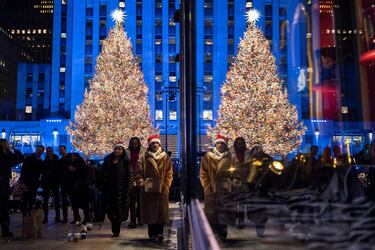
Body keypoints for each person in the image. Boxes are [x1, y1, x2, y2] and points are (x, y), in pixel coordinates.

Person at [137, 134, 173, 243]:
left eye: (157, 143)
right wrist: (142, 182)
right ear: (150, 145)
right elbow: (138, 171)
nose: (155, 145)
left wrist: (166, 185)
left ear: (159, 144)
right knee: (150, 212)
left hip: (161, 188)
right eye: (153, 143)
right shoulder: (144, 156)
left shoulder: (165, 157)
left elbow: (169, 172)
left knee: (161, 212)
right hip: (148, 189)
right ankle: (152, 233)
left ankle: (160, 233)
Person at [200, 134, 234, 240]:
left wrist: (231, 183)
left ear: (225, 145)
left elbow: (236, 172)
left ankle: (222, 232)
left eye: (222, 143)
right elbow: (203, 172)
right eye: (218, 143)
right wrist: (207, 186)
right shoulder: (208, 156)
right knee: (211, 213)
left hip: (225, 189)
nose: (220, 145)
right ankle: (213, 233)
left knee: (223, 212)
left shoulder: (230, 157)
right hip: (211, 189)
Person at [99, 142, 132, 237]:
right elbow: (102, 173)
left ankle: (116, 229)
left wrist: (128, 189)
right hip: (109, 190)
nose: (117, 151)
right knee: (109, 210)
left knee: (118, 211)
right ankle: (114, 225)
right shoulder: (108, 160)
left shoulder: (126, 161)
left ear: (122, 150)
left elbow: (129, 176)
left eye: (119, 149)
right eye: (116, 149)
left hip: (121, 191)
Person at [0, 139, 23, 237]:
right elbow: (19, 158)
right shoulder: (6, 155)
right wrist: (13, 149)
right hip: (2, 184)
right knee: (4, 208)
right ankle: (5, 231)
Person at [229, 137, 251, 229]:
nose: (240, 144)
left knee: (242, 202)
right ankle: (233, 219)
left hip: (244, 179)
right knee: (233, 201)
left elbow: (250, 165)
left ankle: (241, 220)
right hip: (233, 179)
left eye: (242, 142)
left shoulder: (248, 152)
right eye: (238, 142)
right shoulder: (230, 152)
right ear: (235, 143)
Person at [126, 137, 146, 229]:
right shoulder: (126, 153)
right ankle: (133, 220)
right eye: (132, 143)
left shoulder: (144, 152)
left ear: (139, 143)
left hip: (140, 178)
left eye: (136, 143)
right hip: (130, 179)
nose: (134, 145)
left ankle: (141, 218)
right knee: (131, 202)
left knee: (141, 200)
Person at [20, 145, 44, 214]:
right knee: (25, 199)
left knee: (32, 199)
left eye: (41, 151)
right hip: (27, 182)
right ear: (36, 150)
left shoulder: (41, 161)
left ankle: (29, 214)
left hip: (34, 184)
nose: (39, 151)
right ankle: (25, 216)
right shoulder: (28, 159)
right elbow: (23, 171)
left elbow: (40, 173)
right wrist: (22, 182)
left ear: (42, 152)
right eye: (38, 150)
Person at [67, 152, 90, 225]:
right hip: (74, 187)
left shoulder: (81, 164)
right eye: (72, 156)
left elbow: (83, 174)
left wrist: (75, 170)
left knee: (83, 204)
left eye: (74, 156)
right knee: (75, 204)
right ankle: (77, 219)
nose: (72, 157)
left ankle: (86, 218)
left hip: (81, 188)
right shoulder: (71, 164)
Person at [41, 146, 60, 223]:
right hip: (47, 183)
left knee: (57, 200)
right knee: (45, 201)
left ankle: (57, 217)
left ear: (52, 152)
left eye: (50, 151)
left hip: (55, 182)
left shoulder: (56, 161)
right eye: (48, 151)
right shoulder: (44, 161)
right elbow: (42, 171)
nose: (49, 153)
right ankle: (45, 217)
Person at [58, 145, 70, 223]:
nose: (61, 151)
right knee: (64, 201)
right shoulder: (60, 160)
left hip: (71, 182)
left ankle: (77, 218)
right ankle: (65, 217)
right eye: (60, 150)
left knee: (74, 200)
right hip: (63, 183)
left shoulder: (70, 158)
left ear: (65, 150)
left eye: (62, 150)